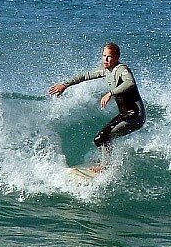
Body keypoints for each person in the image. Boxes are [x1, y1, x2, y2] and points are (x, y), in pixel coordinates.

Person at [48, 42, 145, 172]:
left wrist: (110, 93)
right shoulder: (106, 71)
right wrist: (65, 85)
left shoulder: (122, 69)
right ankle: (107, 163)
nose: (105, 59)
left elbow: (130, 83)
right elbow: (85, 76)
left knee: (104, 137)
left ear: (116, 57)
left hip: (135, 115)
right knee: (100, 139)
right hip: (126, 115)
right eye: (104, 55)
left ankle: (105, 167)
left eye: (109, 56)